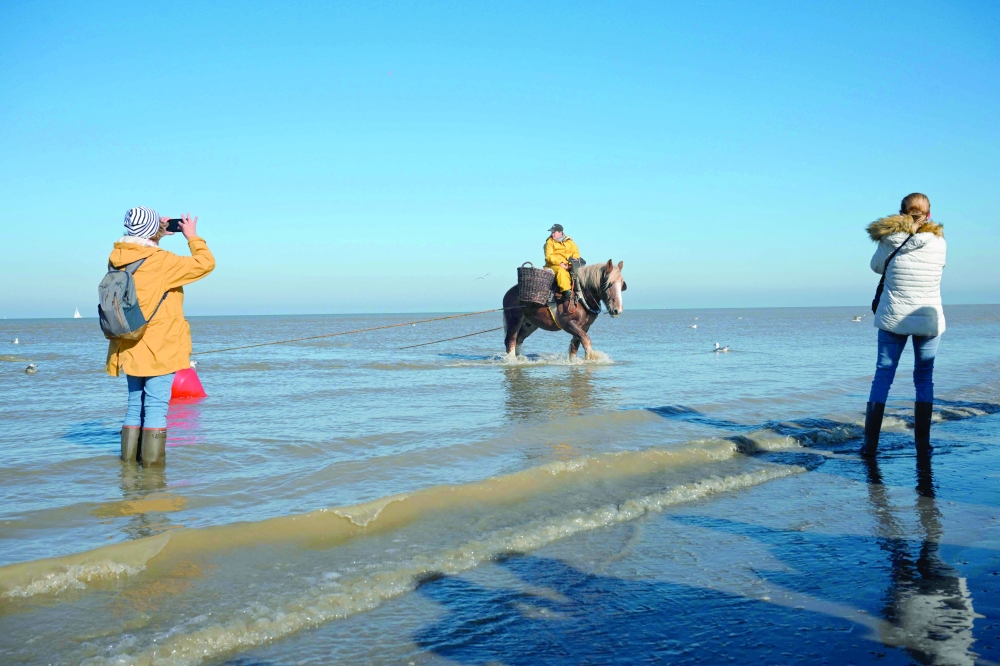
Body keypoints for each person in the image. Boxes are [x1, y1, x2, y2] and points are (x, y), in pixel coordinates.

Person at [107, 207, 215, 467]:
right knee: (156, 407)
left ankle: (129, 469)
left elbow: (142, 255)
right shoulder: (163, 261)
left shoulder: (117, 259)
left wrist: (156, 234)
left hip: (129, 341)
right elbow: (206, 263)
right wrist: (192, 237)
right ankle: (153, 475)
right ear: (152, 231)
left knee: (135, 405)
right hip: (159, 345)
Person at [862, 193, 946, 456]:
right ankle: (923, 443)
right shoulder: (939, 242)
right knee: (924, 378)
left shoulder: (889, 239)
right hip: (928, 319)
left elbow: (876, 267)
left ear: (901, 213)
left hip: (893, 317)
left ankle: (870, 446)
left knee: (883, 377)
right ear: (929, 215)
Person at [543, 224, 581, 311]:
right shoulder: (549, 242)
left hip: (569, 264)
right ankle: (567, 292)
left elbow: (575, 252)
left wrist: (574, 259)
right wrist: (560, 263)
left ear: (560, 232)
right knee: (561, 271)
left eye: (554, 232)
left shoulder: (570, 242)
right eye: (552, 232)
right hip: (554, 265)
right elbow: (549, 256)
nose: (552, 234)